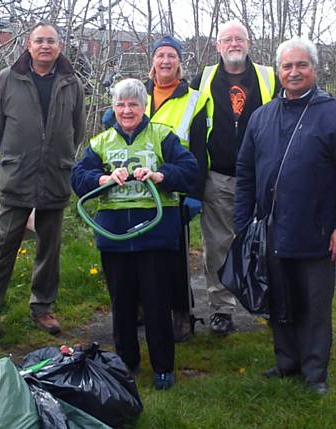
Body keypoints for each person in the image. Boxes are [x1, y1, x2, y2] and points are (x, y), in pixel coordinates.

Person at [235, 37, 336, 395]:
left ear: (314, 68)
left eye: (301, 65)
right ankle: (287, 362)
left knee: (313, 305)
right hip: (272, 231)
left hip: (318, 232)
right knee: (280, 300)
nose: (293, 72)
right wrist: (242, 226)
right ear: (278, 72)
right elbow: (245, 173)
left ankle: (314, 373)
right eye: (287, 66)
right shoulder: (262, 117)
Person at [0, 22, 86, 339]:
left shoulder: (71, 83)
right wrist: (11, 159)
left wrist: (60, 155)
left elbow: (77, 130)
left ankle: (42, 308)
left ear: (60, 46)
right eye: (39, 40)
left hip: (56, 177)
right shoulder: (7, 80)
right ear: (28, 45)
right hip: (17, 178)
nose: (45, 46)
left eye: (51, 41)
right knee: (1, 249)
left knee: (49, 249)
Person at [71, 78, 198, 390]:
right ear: (114, 108)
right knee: (122, 303)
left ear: (144, 107)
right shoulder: (100, 142)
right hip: (114, 236)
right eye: (121, 105)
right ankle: (126, 362)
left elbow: (191, 170)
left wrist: (160, 175)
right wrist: (102, 179)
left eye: (133, 104)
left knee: (157, 303)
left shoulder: (163, 136)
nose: (127, 110)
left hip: (155, 234)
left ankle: (163, 367)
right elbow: (78, 177)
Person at [191, 21, 278, 335]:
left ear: (249, 42)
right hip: (219, 178)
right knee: (218, 246)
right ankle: (221, 309)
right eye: (227, 39)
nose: (233, 44)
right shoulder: (203, 79)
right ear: (217, 46)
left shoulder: (271, 76)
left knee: (270, 243)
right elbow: (178, 109)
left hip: (265, 178)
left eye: (238, 38)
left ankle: (271, 303)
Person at [145, 35, 209, 342]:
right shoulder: (139, 93)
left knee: (175, 256)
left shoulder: (194, 98)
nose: (166, 61)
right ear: (153, 61)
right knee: (140, 252)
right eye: (161, 55)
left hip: (176, 187)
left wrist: (195, 193)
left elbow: (199, 149)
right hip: (139, 188)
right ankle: (144, 308)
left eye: (172, 56)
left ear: (179, 61)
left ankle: (182, 313)